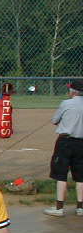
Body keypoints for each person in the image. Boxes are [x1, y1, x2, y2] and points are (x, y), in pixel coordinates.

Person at [43, 79, 83, 217]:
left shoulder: (66, 103)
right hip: (81, 143)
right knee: (81, 176)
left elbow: (55, 120)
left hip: (65, 142)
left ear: (73, 91)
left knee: (61, 174)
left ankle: (59, 208)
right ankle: (80, 208)